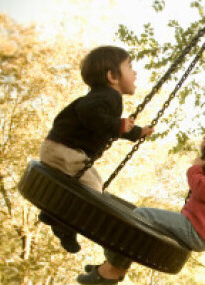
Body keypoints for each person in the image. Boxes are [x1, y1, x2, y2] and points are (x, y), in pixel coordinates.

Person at [77, 114, 205, 285]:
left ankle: (113, 269)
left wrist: (194, 167)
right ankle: (114, 267)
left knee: (140, 215)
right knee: (135, 221)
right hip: (196, 228)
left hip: (195, 230)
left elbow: (203, 189)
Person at [38, 45, 155, 253]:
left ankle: (51, 211)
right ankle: (63, 225)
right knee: (92, 191)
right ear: (112, 76)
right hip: (66, 150)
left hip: (58, 148)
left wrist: (137, 132)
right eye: (130, 66)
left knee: (84, 184)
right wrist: (118, 125)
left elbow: (108, 124)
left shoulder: (103, 97)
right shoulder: (108, 96)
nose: (135, 72)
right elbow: (91, 113)